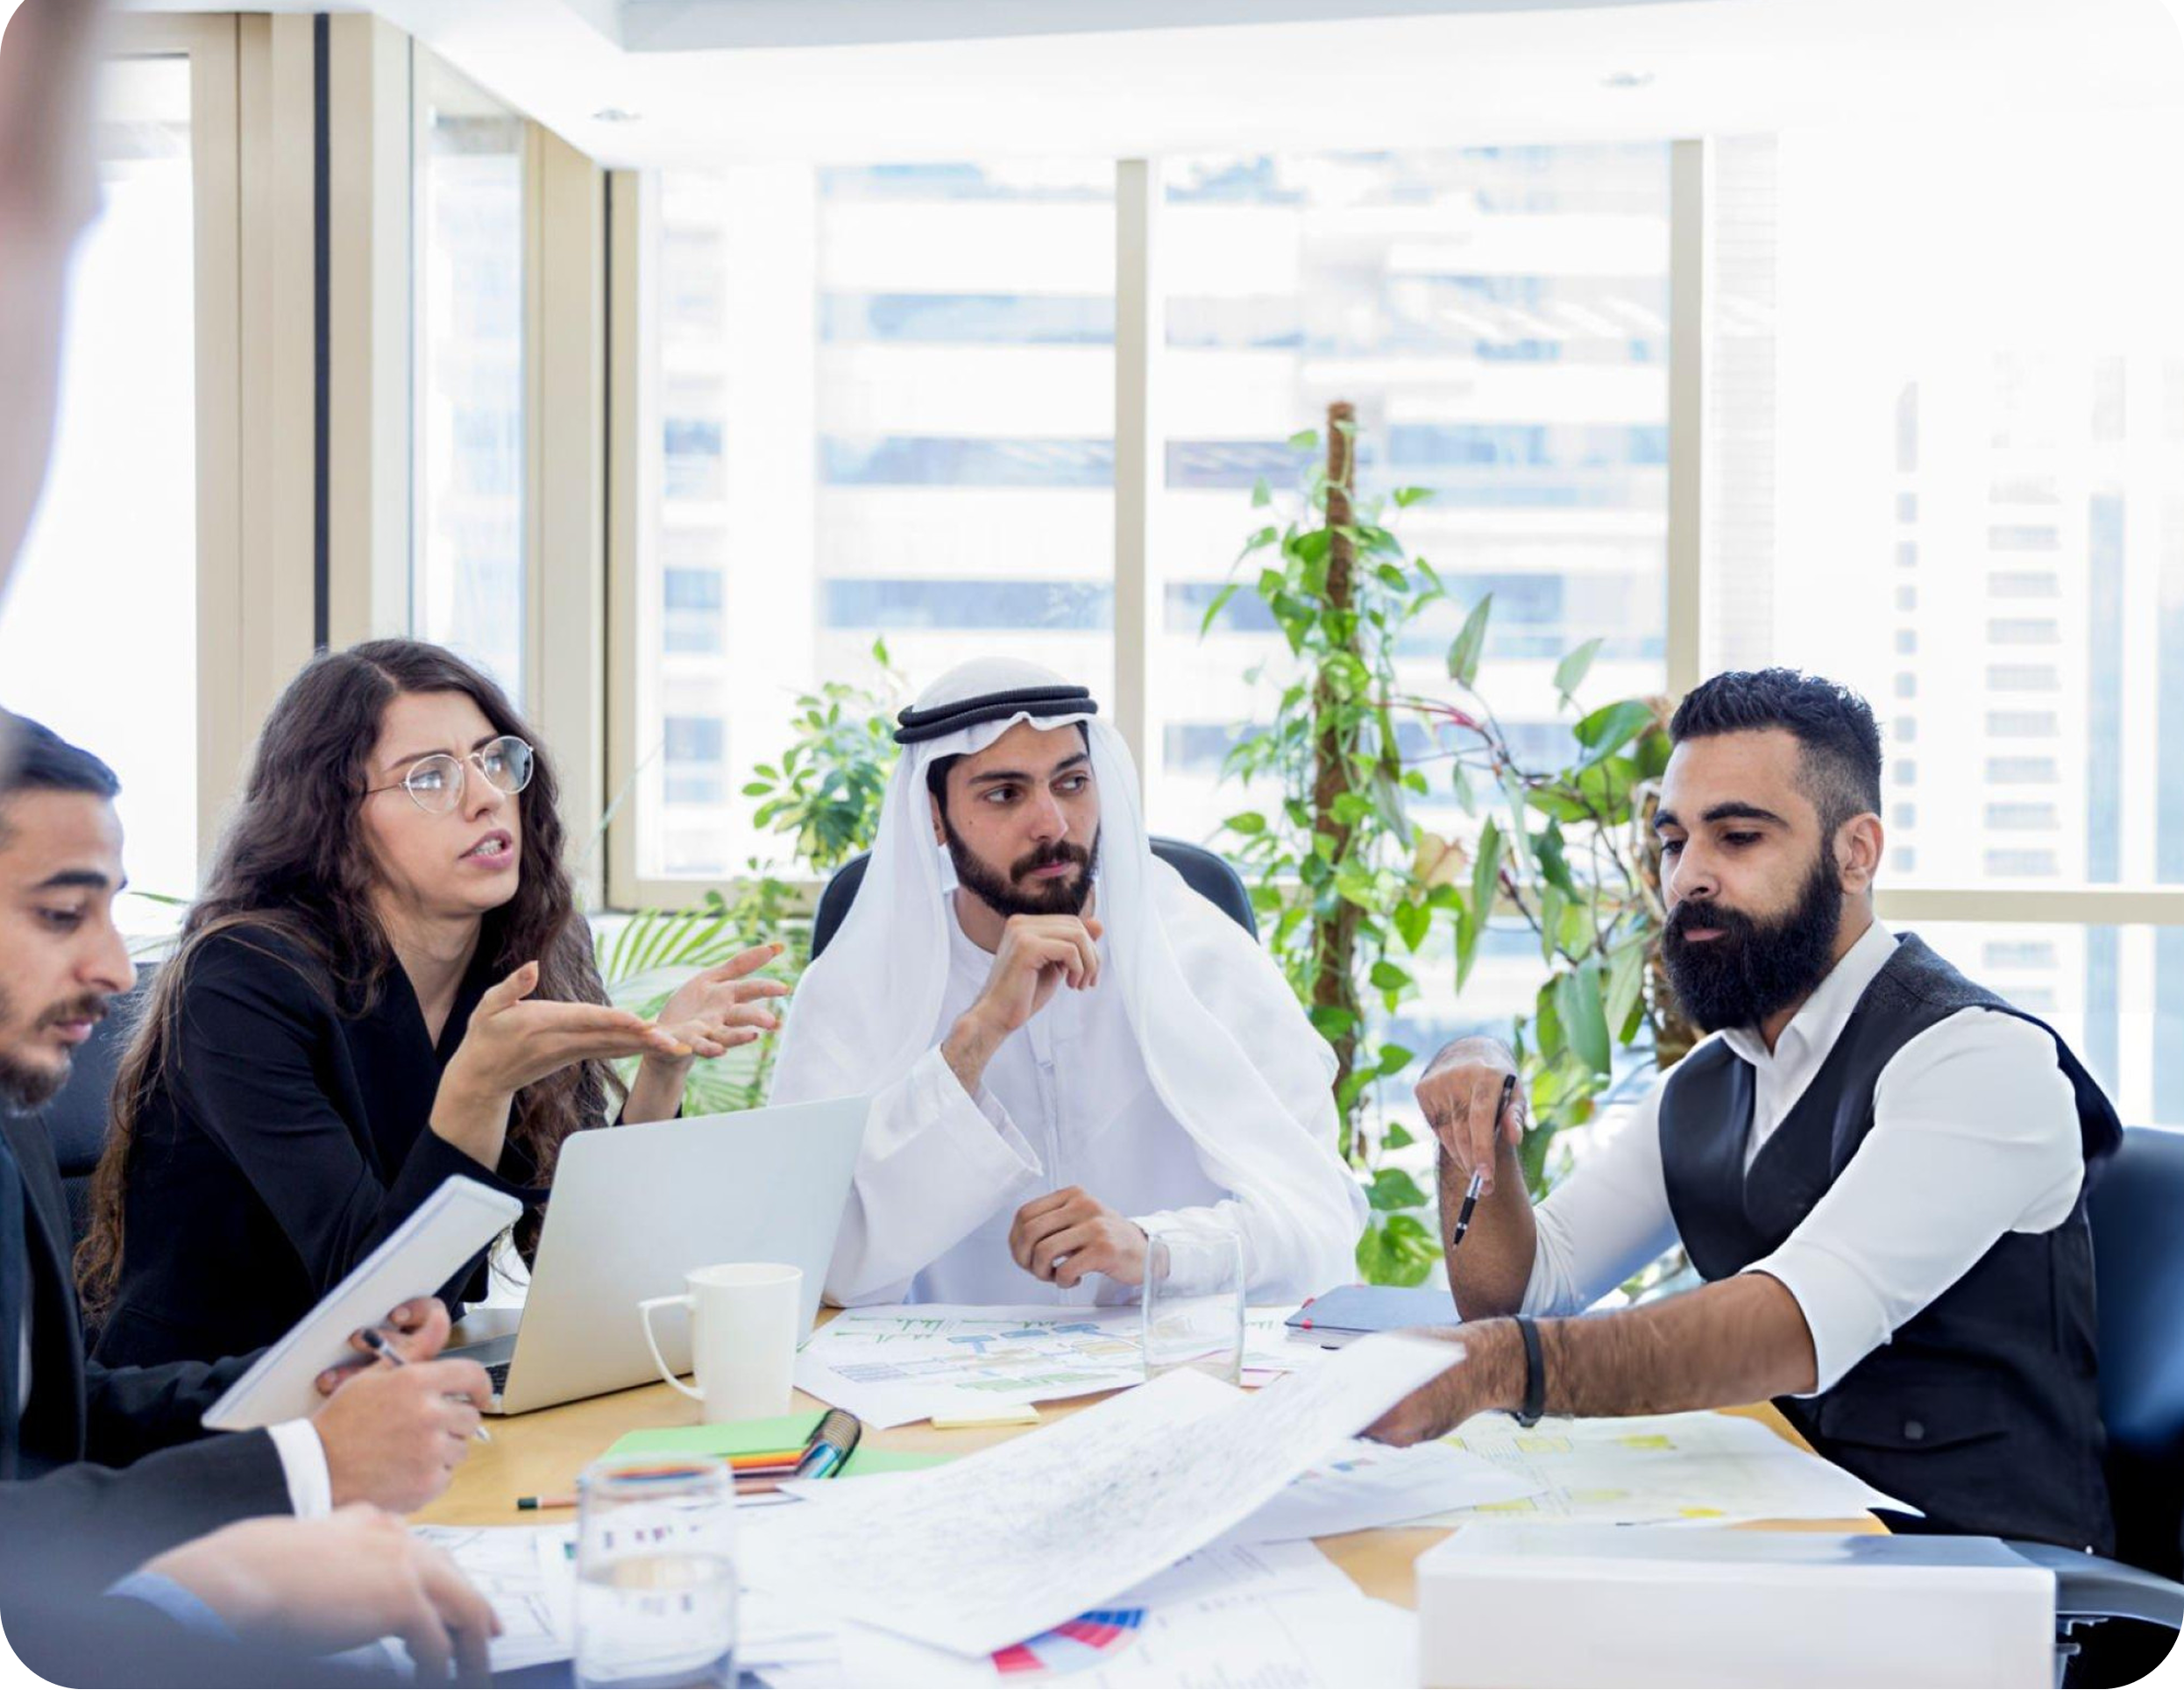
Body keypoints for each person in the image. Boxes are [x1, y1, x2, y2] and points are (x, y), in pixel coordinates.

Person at [1368, 669, 2119, 1553]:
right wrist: (1471, 1130)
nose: (1687, 877)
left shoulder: (1976, 1061)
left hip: (1969, 1576)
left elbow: (1795, 1322)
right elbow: (1517, 1290)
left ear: (1855, 852)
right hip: (1787, 1537)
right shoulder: (1707, 1084)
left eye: (1735, 837)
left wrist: (1500, 1365)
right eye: (1672, 842)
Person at [78, 638, 790, 1367]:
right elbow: (379, 1310)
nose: (485, 796)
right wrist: (478, 1089)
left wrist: (661, 1067)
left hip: (399, 1394)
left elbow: (577, 1262)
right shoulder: (241, 980)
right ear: (333, 819)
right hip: (210, 1406)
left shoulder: (534, 944)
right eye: (429, 778)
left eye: (493, 759)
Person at [0, 713, 498, 1674]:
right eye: (63, 914)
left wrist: (301, 1397)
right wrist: (304, 1469)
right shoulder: (247, 977)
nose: (112, 970)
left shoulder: (11, 1110)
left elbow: (52, 1422)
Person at [771, 657, 1365, 1306]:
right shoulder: (852, 993)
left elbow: (1321, 1220)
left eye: (1072, 783)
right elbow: (810, 1262)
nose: (1052, 823)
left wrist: (1154, 1248)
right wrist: (975, 1038)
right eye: (1005, 794)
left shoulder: (1203, 957)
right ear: (935, 819)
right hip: (943, 1400)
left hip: (1174, 1379)